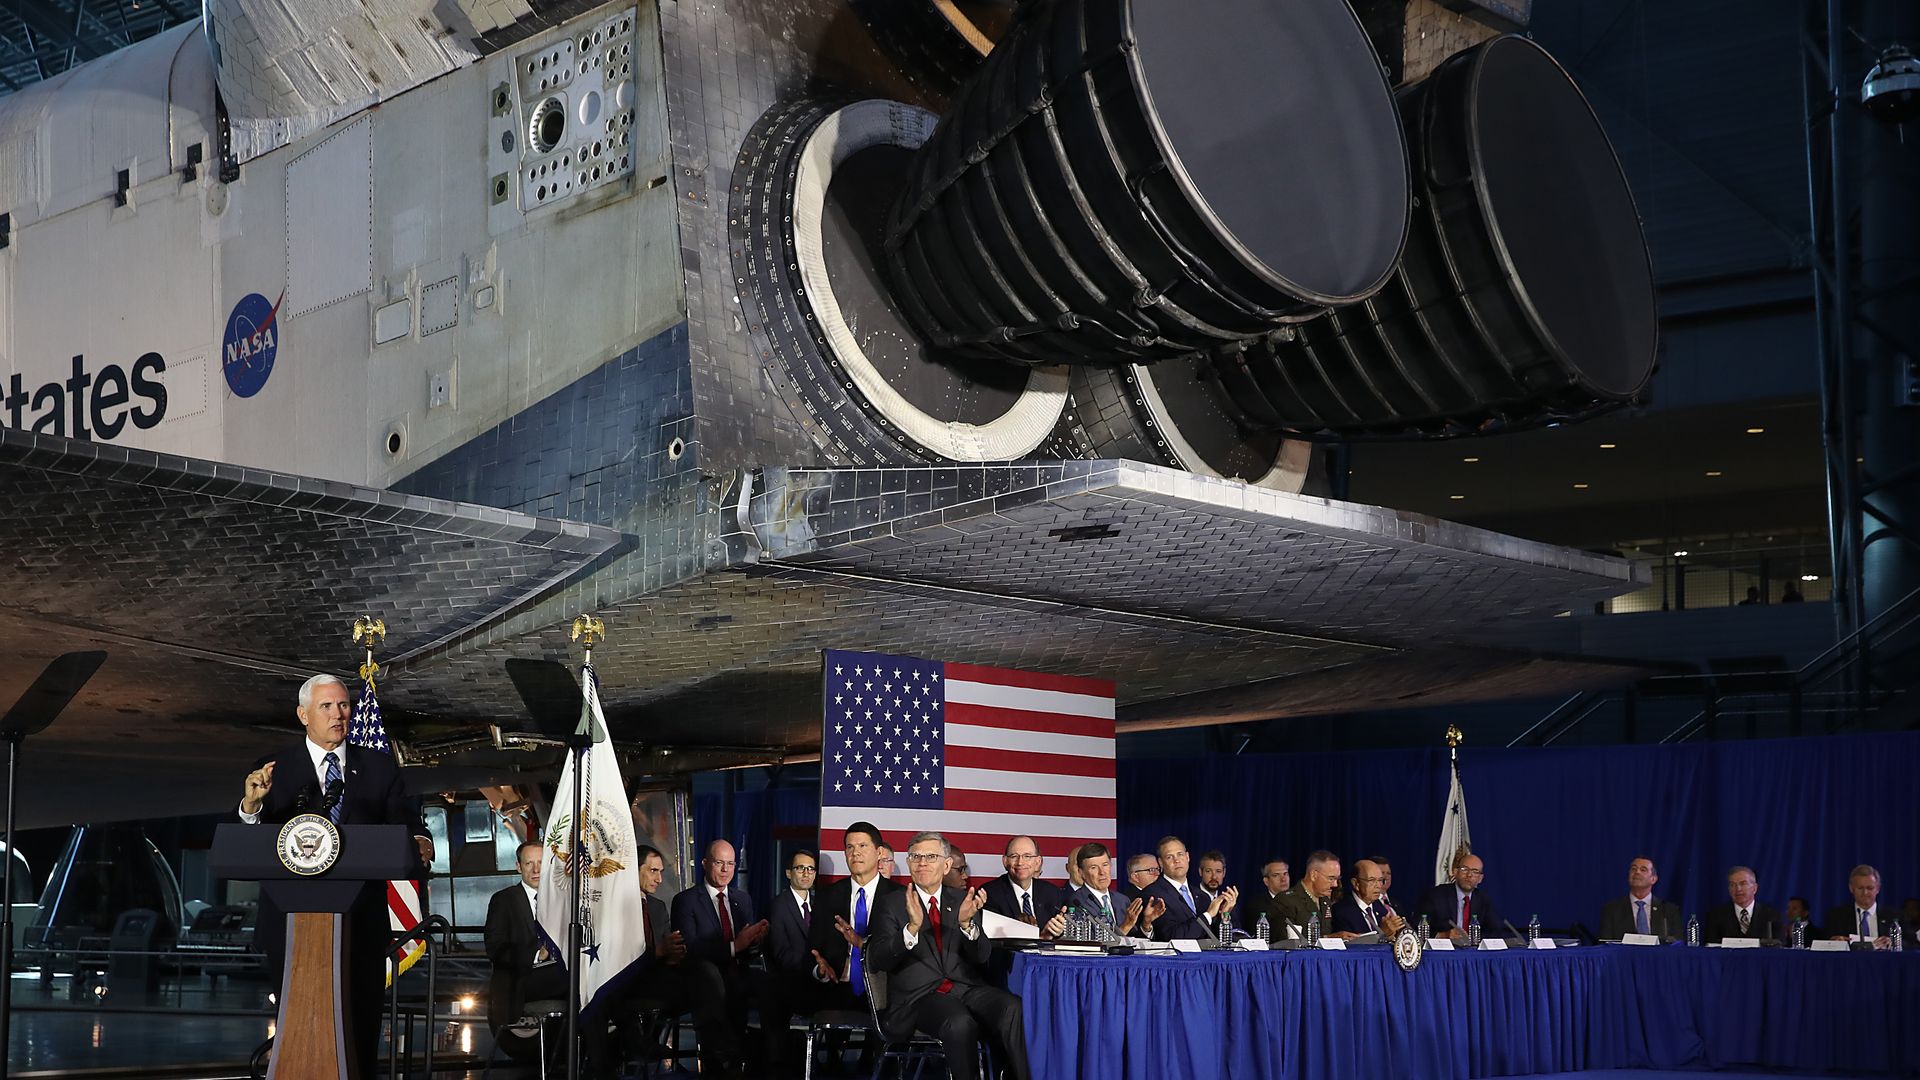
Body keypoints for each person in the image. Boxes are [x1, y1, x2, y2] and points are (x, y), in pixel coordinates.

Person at [238, 673, 429, 1076]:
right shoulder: (274, 769)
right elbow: (251, 843)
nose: (338, 715)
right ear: (303, 714)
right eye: (326, 707)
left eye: (343, 705)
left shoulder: (376, 766)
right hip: (290, 925)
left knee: (359, 1033)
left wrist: (420, 840)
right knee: (296, 1029)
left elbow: (404, 824)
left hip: (361, 923)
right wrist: (251, 808)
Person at [866, 832, 1031, 1080]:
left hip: (965, 989)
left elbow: (981, 956)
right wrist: (909, 930)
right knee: (959, 1022)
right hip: (919, 997)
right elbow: (878, 959)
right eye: (916, 857)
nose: (922, 862)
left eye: (931, 857)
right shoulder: (891, 903)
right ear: (909, 862)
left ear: (946, 865)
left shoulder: (962, 900)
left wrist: (967, 926)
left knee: (1012, 1008)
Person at [669, 840, 770, 1073]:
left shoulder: (742, 899)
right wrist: (736, 946)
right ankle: (720, 1058)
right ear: (705, 864)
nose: (726, 870)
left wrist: (756, 941)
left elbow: (748, 947)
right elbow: (690, 949)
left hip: (738, 971)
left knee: (769, 983)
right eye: (719, 863)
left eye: (730, 863)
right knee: (710, 976)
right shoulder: (686, 901)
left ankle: (771, 1056)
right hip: (703, 977)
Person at [808, 822, 904, 1009]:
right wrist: (819, 971)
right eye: (849, 847)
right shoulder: (828, 896)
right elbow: (813, 950)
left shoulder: (899, 897)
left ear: (879, 853)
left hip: (885, 992)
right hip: (837, 988)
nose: (855, 853)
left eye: (862, 846)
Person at [485, 842, 567, 1059]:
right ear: (518, 867)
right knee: (575, 975)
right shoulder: (503, 900)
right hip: (521, 980)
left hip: (558, 974)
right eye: (529, 863)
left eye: (541, 863)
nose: (536, 870)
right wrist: (536, 955)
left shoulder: (564, 898)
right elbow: (495, 948)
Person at [1141, 836, 1236, 940]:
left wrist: (1224, 915)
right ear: (1160, 863)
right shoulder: (1152, 895)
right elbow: (1172, 937)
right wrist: (1208, 915)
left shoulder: (1202, 896)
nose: (1176, 860)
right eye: (1169, 857)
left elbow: (1213, 937)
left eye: (1180, 854)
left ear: (1187, 857)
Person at [1071, 843, 1162, 938]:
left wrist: (1146, 924)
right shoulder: (1077, 902)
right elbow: (1094, 944)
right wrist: (1125, 926)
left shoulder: (1122, 900)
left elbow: (1135, 940)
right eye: (1093, 867)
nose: (1102, 872)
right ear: (1081, 873)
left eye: (1105, 865)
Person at [984, 836, 1068, 933]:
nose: (1020, 862)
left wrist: (1056, 932)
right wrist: (1041, 938)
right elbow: (994, 941)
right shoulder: (990, 894)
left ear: (1038, 862)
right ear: (1005, 861)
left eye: (1027, 856)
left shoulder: (1052, 893)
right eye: (1014, 856)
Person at [1417, 852, 1502, 942]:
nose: (1469, 875)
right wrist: (1443, 935)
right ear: (1455, 872)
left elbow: (1495, 932)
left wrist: (1473, 938)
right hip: (1443, 952)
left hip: (1473, 953)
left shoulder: (1483, 900)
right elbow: (1416, 929)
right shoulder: (1435, 896)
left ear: (1480, 878)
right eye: (1465, 869)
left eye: (1475, 871)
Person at [1598, 856, 1683, 941]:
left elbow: (1677, 943)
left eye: (1643, 869)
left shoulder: (1669, 910)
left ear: (1653, 879)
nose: (1637, 872)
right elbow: (1605, 945)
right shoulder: (1611, 910)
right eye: (1633, 869)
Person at [1703, 865, 1781, 944]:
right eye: (1732, 885)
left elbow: (1779, 946)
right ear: (1729, 889)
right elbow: (1710, 947)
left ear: (1754, 888)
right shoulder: (1715, 915)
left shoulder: (1771, 915)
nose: (1738, 889)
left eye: (1743, 883)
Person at [1273, 850, 1340, 939]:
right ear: (1313, 875)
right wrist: (1328, 937)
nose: (1335, 885)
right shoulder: (1286, 901)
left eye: (1337, 879)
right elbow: (1287, 940)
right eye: (1331, 878)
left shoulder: (1325, 901)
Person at [1825, 864, 1895, 947]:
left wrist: (1893, 943)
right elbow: (1825, 942)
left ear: (1878, 889)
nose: (1865, 893)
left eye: (1870, 888)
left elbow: (1910, 943)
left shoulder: (1893, 916)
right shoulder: (1836, 916)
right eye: (1860, 888)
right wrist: (1834, 943)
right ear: (1851, 888)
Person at [1332, 859, 1405, 939]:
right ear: (1356, 883)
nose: (1378, 886)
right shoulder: (1342, 911)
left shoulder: (1379, 906)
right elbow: (1351, 946)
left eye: (1380, 880)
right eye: (1372, 880)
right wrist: (1382, 934)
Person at [1241, 860, 1290, 941]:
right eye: (1276, 875)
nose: (1283, 879)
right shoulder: (1256, 906)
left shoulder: (1297, 901)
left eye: (1285, 874)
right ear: (1266, 881)